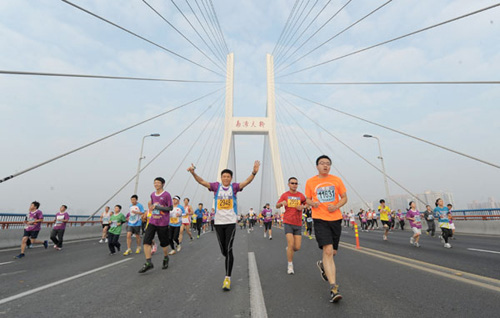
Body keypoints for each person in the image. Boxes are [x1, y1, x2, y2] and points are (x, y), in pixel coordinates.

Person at [188, 160, 260, 291]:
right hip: (218, 223)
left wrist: (254, 172)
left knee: (228, 249)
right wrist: (193, 173)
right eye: (224, 176)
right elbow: (202, 182)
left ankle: (227, 278)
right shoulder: (216, 187)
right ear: (221, 178)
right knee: (223, 250)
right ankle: (228, 259)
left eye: (228, 176)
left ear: (231, 178)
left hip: (231, 222)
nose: (226, 178)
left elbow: (247, 182)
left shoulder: (235, 187)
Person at [305, 155, 348, 303]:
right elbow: (307, 199)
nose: (325, 165)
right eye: (322, 163)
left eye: (328, 164)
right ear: (317, 166)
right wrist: (313, 203)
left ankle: (323, 264)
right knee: (328, 250)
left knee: (333, 252)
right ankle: (333, 288)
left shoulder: (336, 180)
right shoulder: (311, 182)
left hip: (335, 219)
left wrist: (336, 206)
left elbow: (344, 197)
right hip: (320, 219)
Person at [139, 177, 173, 273]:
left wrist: (158, 207)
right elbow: (153, 207)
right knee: (146, 241)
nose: (156, 184)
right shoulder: (152, 195)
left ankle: (166, 257)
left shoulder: (166, 195)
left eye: (158, 183)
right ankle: (148, 262)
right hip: (153, 221)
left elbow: (170, 208)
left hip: (163, 222)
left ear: (163, 184)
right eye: (155, 183)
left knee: (164, 243)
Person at [277, 177, 307, 274]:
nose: (294, 185)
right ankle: (290, 266)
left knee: (297, 247)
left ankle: (289, 249)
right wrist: (281, 203)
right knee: (290, 244)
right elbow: (277, 205)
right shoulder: (285, 195)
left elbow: (307, 204)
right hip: (288, 222)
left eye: (296, 183)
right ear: (288, 184)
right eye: (292, 183)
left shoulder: (301, 195)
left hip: (298, 223)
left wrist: (302, 206)